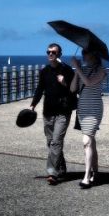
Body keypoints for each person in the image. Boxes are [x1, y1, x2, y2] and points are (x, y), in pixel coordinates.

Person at [30, 43, 75, 185]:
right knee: (51, 142)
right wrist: (32, 105)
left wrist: (65, 83)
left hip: (63, 111)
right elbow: (39, 89)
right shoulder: (44, 71)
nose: (50, 54)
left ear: (59, 55)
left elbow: (75, 89)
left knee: (56, 141)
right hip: (48, 111)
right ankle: (61, 168)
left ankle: (52, 172)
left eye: (53, 52)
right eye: (48, 52)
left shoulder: (67, 70)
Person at [70, 50, 106, 189]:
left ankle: (86, 177)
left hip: (94, 110)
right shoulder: (82, 69)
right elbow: (73, 88)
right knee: (91, 142)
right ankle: (95, 172)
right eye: (83, 52)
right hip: (82, 109)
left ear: (94, 55)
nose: (84, 55)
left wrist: (77, 68)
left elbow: (89, 83)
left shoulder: (101, 70)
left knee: (86, 141)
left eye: (87, 52)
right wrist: (76, 71)